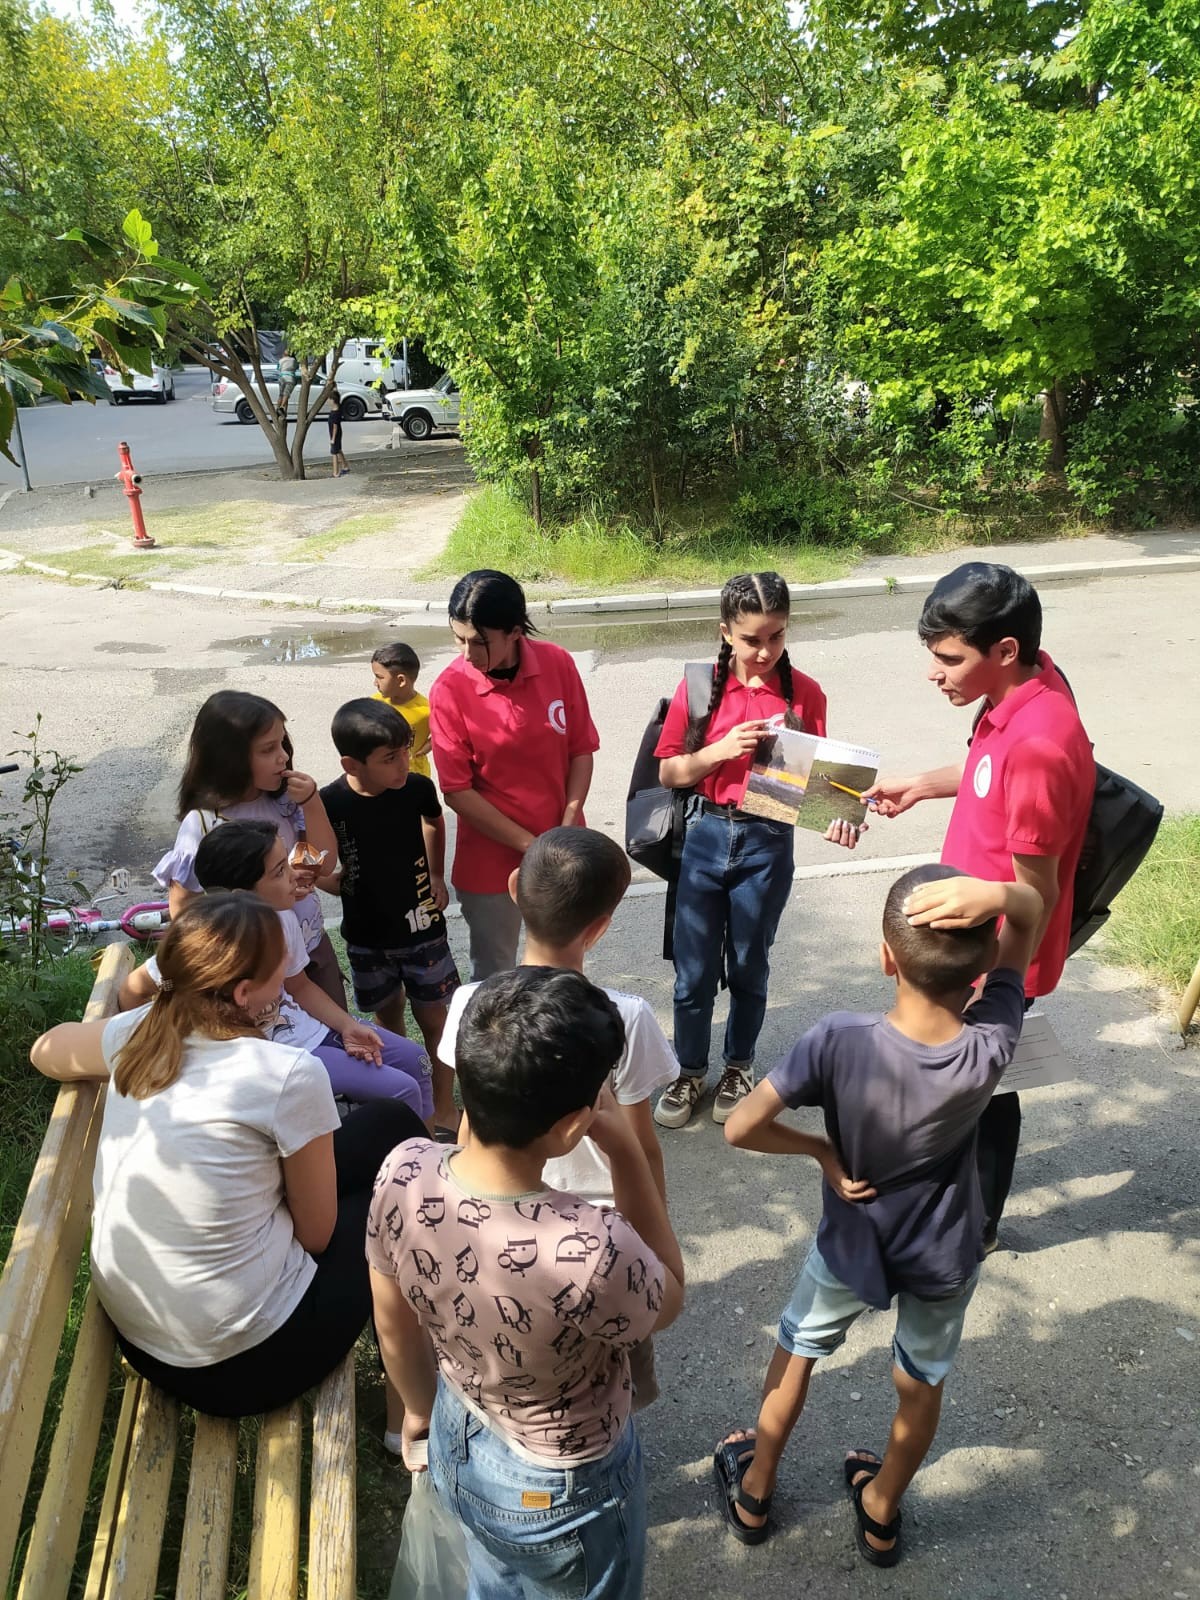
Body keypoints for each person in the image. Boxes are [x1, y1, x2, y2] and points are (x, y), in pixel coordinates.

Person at [714, 865, 1043, 1564]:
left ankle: (757, 1489)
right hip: (943, 1252)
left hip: (851, 1238)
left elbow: (740, 1127)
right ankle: (881, 1507)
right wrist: (1005, 898)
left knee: (796, 1350)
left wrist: (820, 1153)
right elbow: (1030, 916)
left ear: (886, 957)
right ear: (985, 966)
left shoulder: (837, 1038)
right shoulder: (989, 1046)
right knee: (921, 1383)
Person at [30, 893, 425, 1420]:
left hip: (147, 1343)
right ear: (244, 993)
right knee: (395, 1195)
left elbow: (46, 1050)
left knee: (390, 1124)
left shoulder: (141, 1032)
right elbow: (317, 1237)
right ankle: (412, 1413)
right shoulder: (285, 1074)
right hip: (246, 1365)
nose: (287, 978)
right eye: (278, 972)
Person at [368, 967, 686, 1599]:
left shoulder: (404, 1171)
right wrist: (625, 1153)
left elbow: (393, 1323)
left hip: (459, 1431)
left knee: (495, 1578)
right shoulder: (590, 1246)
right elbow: (668, 1297)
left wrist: (415, 1414)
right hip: (564, 1487)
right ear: (573, 1126)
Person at [862, 563, 1094, 1248]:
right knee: (977, 1085)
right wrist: (922, 785)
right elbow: (991, 770)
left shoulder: (1043, 742)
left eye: (947, 658)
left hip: (984, 955)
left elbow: (1036, 898)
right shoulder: (1026, 690)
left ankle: (972, 1224)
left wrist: (972, 969)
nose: (935, 673)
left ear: (1005, 650)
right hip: (963, 937)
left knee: (975, 1090)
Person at [437, 826, 680, 1406]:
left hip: (495, 1211)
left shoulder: (472, 1003)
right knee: (610, 1361)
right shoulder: (625, 1017)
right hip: (599, 1232)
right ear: (601, 926)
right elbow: (641, 1144)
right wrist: (652, 1232)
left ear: (515, 888)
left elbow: (471, 1116)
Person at [653, 570, 849, 1130]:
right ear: (725, 632)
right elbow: (669, 771)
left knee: (748, 964)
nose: (764, 651)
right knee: (692, 973)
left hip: (767, 839)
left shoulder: (804, 694)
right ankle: (690, 1069)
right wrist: (718, 750)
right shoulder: (697, 687)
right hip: (705, 834)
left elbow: (819, 789)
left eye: (777, 637)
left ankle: (738, 1065)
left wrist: (837, 815)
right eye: (751, 639)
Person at [125, 820, 434, 1119]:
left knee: (417, 1062)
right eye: (279, 872)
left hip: (309, 1028)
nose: (294, 877)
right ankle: (409, 1167)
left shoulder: (281, 916)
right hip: (284, 1054)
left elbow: (299, 987)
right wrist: (154, 1043)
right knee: (401, 1090)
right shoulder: (205, 945)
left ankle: (428, 1162)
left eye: (285, 863)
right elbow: (134, 989)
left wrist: (345, 1025)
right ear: (239, 896)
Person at [428, 569, 600, 981]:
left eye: (480, 642)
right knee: (496, 973)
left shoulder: (556, 663)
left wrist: (569, 817)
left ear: (515, 631)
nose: (468, 654)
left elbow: (580, 748)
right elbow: (456, 791)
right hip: (491, 862)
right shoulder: (449, 690)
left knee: (564, 966)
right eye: (459, 639)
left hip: (561, 848)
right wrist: (532, 846)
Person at [153, 689, 346, 1006]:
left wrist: (312, 804)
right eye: (268, 749)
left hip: (310, 948)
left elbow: (321, 865)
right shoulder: (203, 825)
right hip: (251, 969)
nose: (283, 755)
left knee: (334, 1030)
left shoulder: (286, 801)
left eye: (283, 743)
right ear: (230, 759)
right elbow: (184, 910)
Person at [319, 699, 459, 1131]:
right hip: (366, 936)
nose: (404, 764)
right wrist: (330, 881)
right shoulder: (329, 801)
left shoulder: (416, 788)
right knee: (387, 1018)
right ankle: (404, 1100)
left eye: (407, 751)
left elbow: (435, 822)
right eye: (390, 758)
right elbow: (306, 857)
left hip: (422, 928)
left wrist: (436, 873)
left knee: (436, 1019)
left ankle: (443, 1105)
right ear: (351, 763)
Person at [370, 641, 433, 778]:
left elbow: (444, 732)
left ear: (401, 680)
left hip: (414, 774)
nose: (375, 683)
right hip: (381, 773)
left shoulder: (427, 710)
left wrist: (425, 749)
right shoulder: (374, 704)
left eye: (379, 677)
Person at [327, 387, 347, 477]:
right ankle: (345, 466)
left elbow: (335, 427)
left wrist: (332, 439)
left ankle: (336, 472)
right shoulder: (339, 408)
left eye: (329, 399)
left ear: (333, 400)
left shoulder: (335, 414)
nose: (328, 401)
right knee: (338, 450)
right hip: (338, 433)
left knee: (334, 452)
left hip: (335, 434)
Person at [276, 348, 298, 418]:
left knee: (281, 394)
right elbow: (296, 367)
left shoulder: (280, 360)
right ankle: (282, 408)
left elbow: (278, 369)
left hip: (282, 377)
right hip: (290, 378)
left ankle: (277, 408)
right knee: (286, 394)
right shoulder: (293, 360)